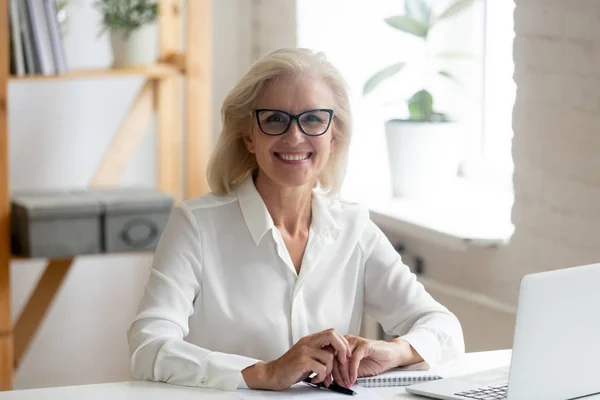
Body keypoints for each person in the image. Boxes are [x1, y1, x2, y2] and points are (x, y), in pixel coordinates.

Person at [127, 48, 464, 392]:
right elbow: (148, 348)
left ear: (334, 136)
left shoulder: (353, 226)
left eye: (314, 119)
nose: (295, 137)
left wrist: (393, 351)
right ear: (249, 136)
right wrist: (265, 372)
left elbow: (443, 328)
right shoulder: (196, 225)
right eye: (274, 119)